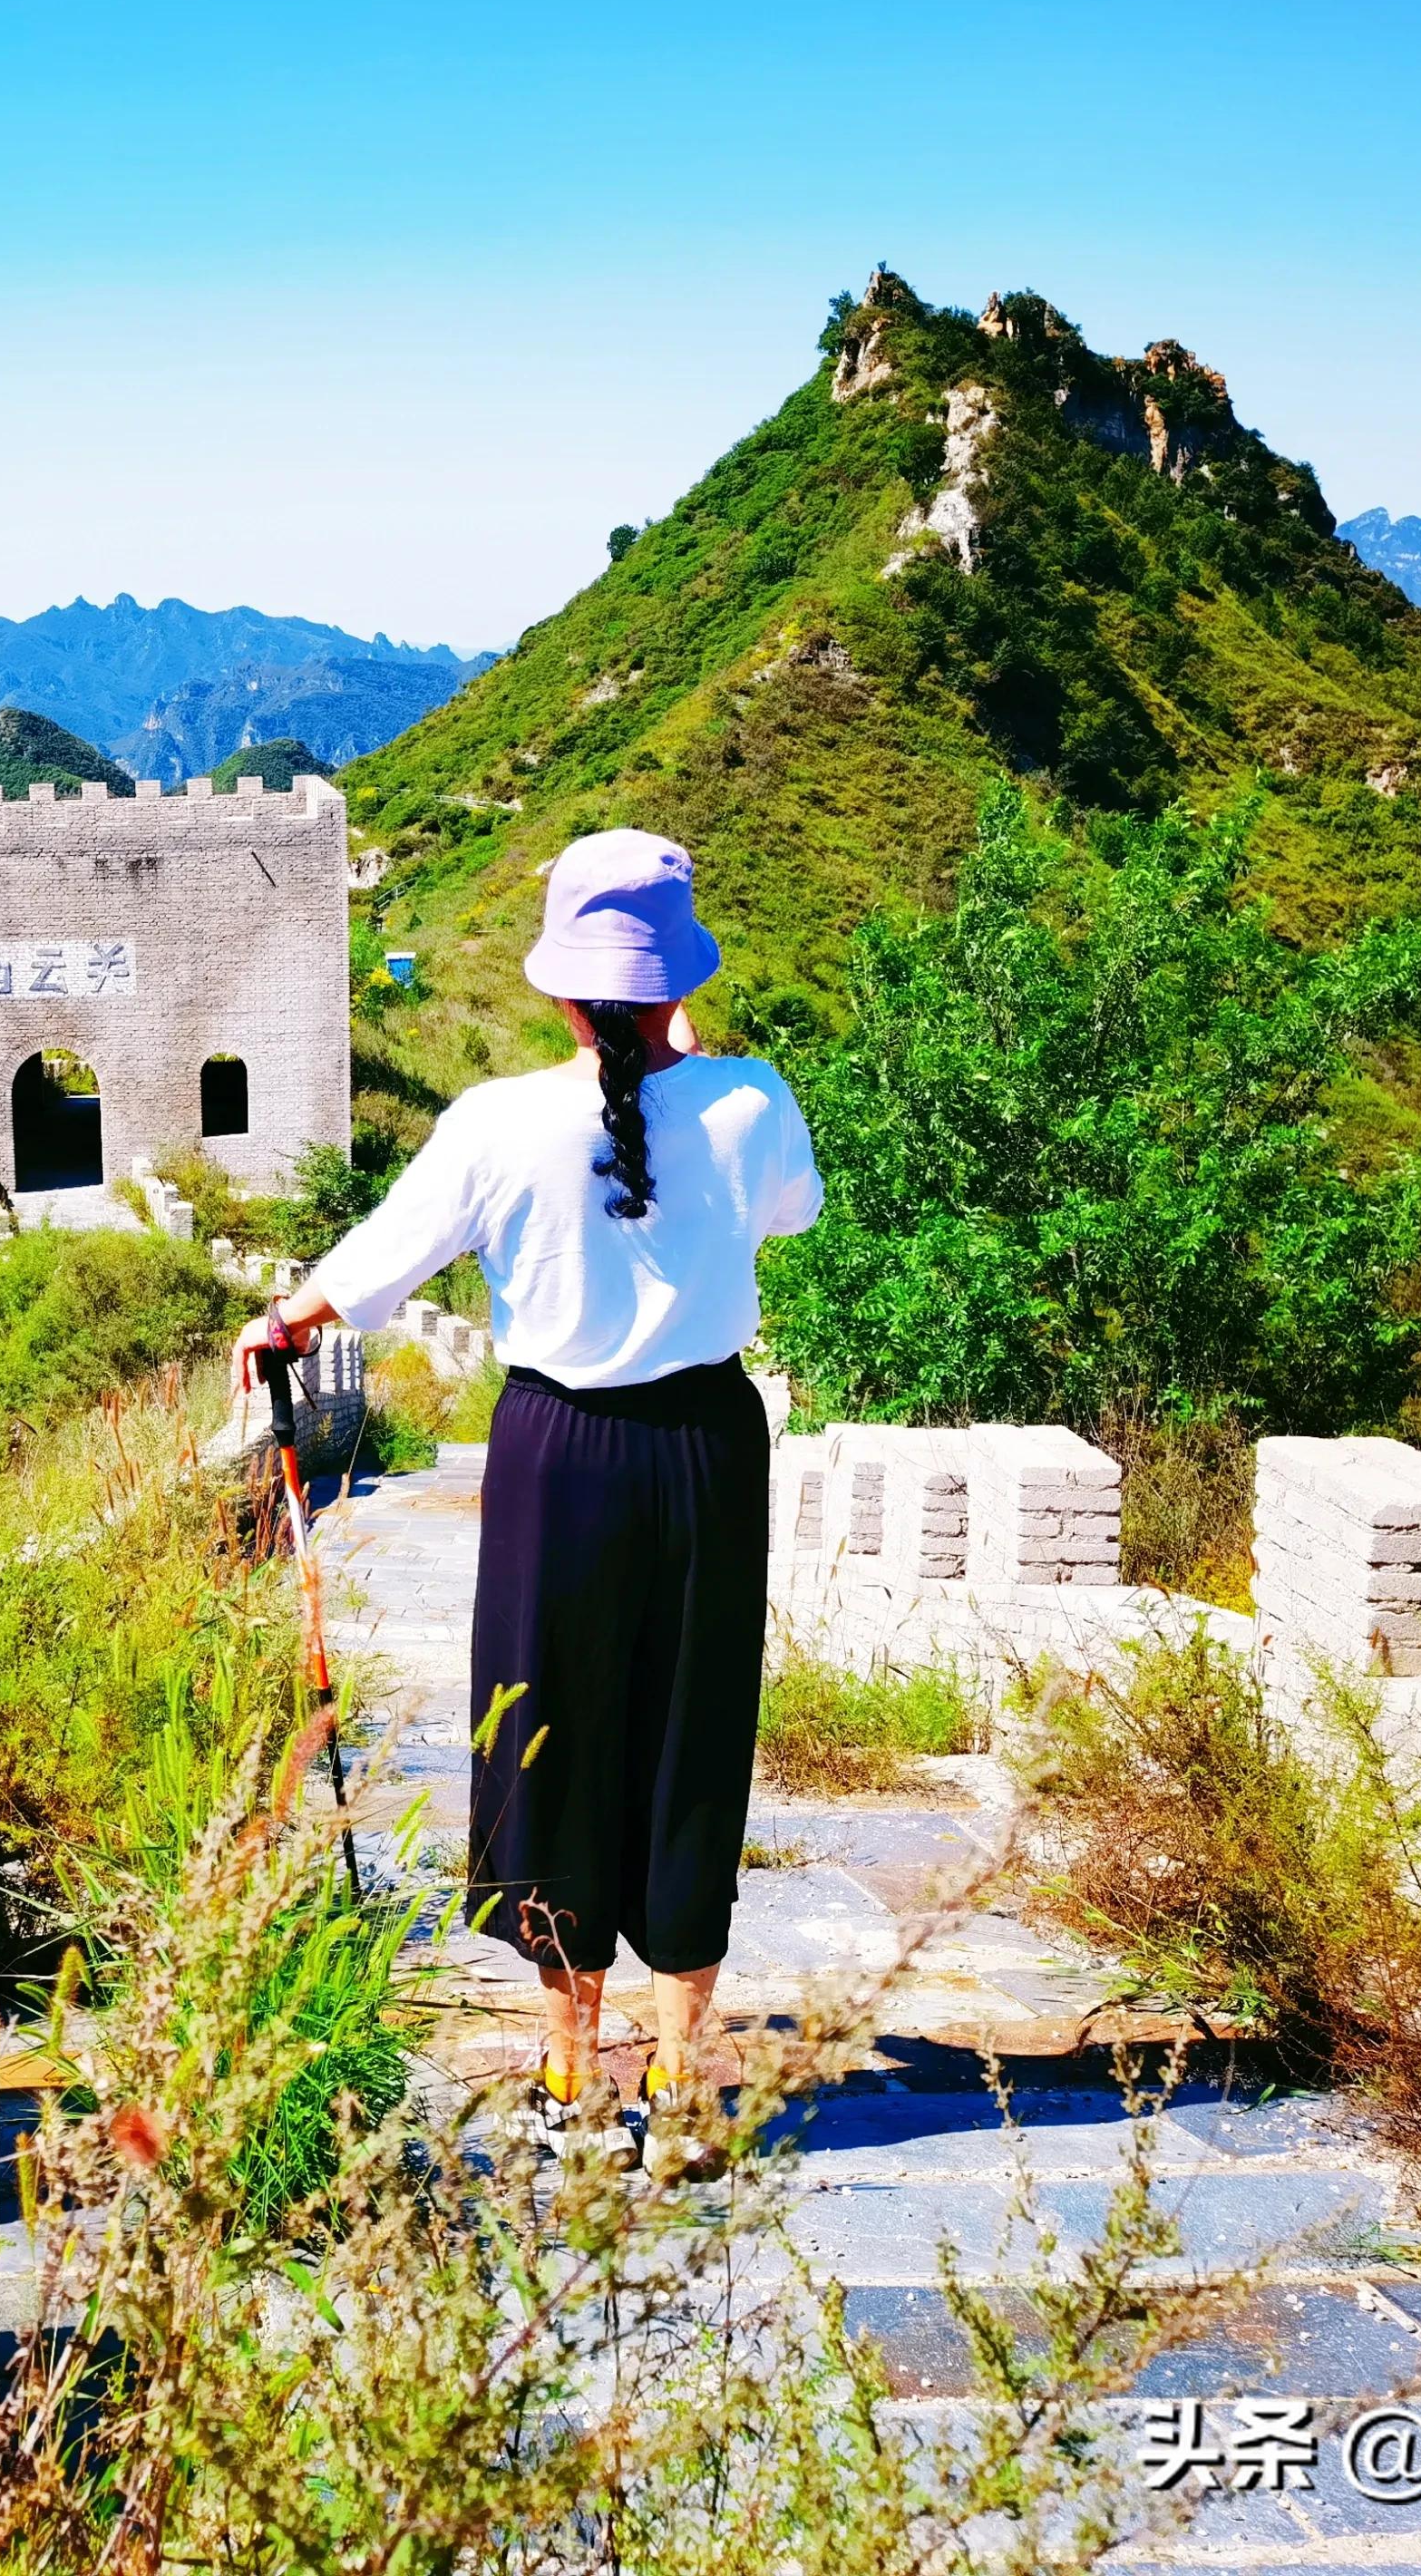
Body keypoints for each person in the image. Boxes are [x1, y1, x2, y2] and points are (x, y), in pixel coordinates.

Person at [233, 828, 821, 2160]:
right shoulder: (752, 1099)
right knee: (691, 1739)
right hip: (710, 1449)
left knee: (549, 1738)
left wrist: (289, 1317)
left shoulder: (496, 1122)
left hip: (559, 1455)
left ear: (559, 988)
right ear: (680, 977)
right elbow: (792, 1214)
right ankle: (679, 2080)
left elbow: (383, 1259)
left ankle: (570, 2078)